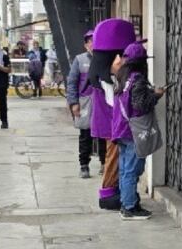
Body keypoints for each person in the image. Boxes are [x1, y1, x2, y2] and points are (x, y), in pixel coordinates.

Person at [111, 41, 163, 221]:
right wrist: (156, 95)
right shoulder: (138, 79)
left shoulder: (122, 78)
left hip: (121, 129)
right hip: (132, 131)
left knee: (126, 169)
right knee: (133, 170)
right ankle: (130, 207)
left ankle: (127, 202)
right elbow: (140, 105)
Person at [88, 18, 135, 210]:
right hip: (111, 122)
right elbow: (113, 103)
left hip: (109, 121)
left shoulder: (105, 74)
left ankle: (112, 189)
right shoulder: (107, 78)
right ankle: (107, 191)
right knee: (113, 155)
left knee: (114, 155)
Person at [66, 29, 106, 178]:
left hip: (102, 102)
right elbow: (72, 82)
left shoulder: (106, 59)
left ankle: (104, 163)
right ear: (86, 45)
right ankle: (84, 165)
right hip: (84, 102)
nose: (92, 44)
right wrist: (73, 103)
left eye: (95, 40)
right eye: (89, 41)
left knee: (103, 134)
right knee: (85, 134)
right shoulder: (80, 60)